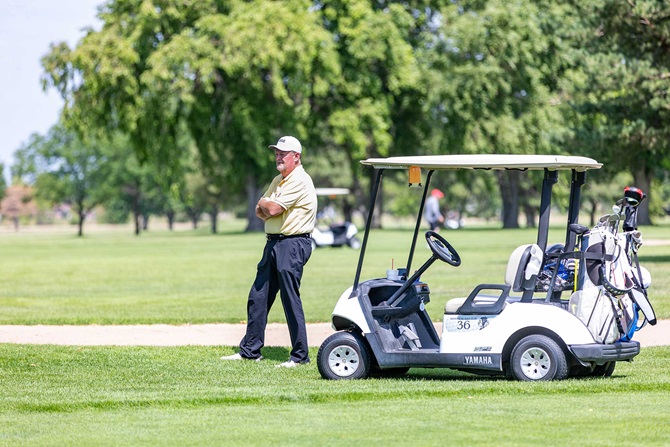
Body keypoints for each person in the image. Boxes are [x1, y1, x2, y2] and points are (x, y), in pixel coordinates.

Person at [221, 136, 317, 368]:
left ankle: (300, 356)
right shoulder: (279, 179)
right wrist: (267, 205)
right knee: (258, 295)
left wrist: (267, 204)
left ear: (296, 157)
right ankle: (250, 351)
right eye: (276, 152)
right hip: (273, 243)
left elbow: (270, 207)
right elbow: (259, 210)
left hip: (293, 243)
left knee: (289, 298)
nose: (278, 157)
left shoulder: (299, 180)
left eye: (283, 153)